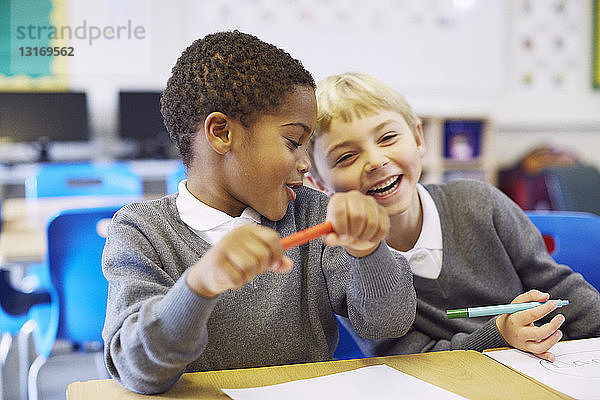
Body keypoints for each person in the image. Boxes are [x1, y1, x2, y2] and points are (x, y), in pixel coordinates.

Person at [101, 34, 416, 394]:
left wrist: (369, 252)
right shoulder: (141, 231)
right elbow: (138, 371)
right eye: (293, 142)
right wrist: (198, 285)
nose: (305, 163)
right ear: (221, 133)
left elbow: (387, 325)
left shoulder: (315, 214)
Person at [306, 72, 600, 362]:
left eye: (388, 137)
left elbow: (560, 289)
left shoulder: (480, 202)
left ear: (418, 138)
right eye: (346, 157)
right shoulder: (342, 260)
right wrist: (499, 334)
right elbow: (407, 360)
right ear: (319, 184)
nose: (376, 161)